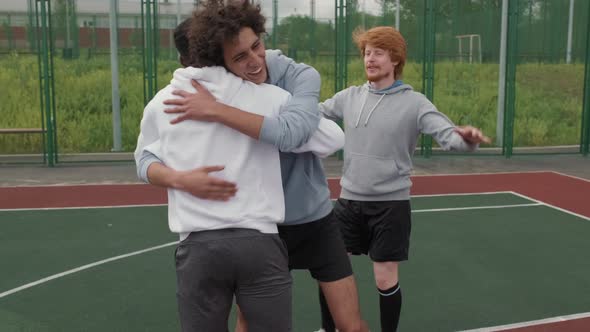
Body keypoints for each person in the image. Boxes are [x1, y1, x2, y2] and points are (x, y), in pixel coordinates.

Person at [137, 1, 369, 331]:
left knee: (350, 323)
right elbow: (145, 159)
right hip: (263, 235)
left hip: (308, 217)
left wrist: (219, 111)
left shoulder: (287, 80)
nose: (254, 59)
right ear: (220, 58)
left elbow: (309, 134)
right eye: (239, 56)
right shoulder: (260, 99)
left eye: (256, 46)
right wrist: (181, 179)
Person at [316, 26, 491, 332]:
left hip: (390, 205)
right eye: (367, 53)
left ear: (395, 59)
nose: (370, 59)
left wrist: (468, 139)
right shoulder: (350, 96)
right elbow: (313, 115)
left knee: (384, 278)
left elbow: (449, 136)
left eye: (378, 53)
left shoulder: (415, 103)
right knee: (330, 271)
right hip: (348, 201)